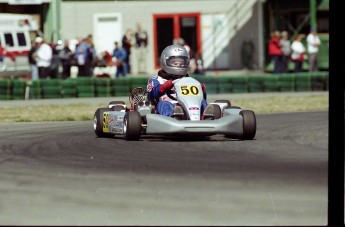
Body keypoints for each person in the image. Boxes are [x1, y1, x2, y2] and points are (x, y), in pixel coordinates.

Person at [146, 44, 214, 119]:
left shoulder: (188, 80)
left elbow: (198, 97)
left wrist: (201, 91)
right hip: (168, 105)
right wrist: (163, 87)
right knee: (164, 104)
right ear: (165, 61)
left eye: (181, 63)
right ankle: (173, 117)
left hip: (187, 105)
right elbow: (151, 94)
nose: (179, 65)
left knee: (203, 102)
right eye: (175, 63)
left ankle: (206, 117)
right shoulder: (157, 79)